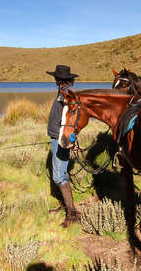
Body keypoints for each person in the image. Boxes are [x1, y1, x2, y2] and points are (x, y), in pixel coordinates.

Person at [46, 64, 80, 227]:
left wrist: (71, 139)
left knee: (58, 176)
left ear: (59, 80)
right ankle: (67, 205)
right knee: (62, 173)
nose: (55, 80)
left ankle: (72, 213)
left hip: (61, 139)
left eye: (56, 78)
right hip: (57, 137)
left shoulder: (67, 93)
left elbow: (73, 119)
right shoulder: (64, 92)